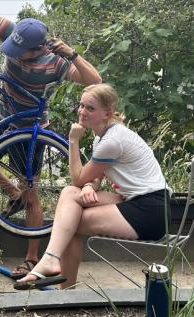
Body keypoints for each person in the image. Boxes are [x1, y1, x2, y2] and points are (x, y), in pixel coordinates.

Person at [0, 5, 102, 278]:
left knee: (31, 191)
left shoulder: (55, 62)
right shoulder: (15, 34)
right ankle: (13, 194)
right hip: (3, 118)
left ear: (37, 49)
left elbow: (94, 81)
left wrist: (71, 53)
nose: (12, 53)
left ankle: (32, 259)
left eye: (20, 52)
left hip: (30, 130)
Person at [14, 83, 171, 290]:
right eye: (81, 106)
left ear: (107, 113)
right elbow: (91, 178)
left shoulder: (113, 140)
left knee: (70, 224)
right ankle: (56, 271)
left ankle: (59, 276)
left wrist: (73, 141)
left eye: (90, 108)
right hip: (136, 200)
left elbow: (77, 177)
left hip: (151, 211)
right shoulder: (102, 138)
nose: (82, 111)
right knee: (70, 195)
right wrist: (89, 186)